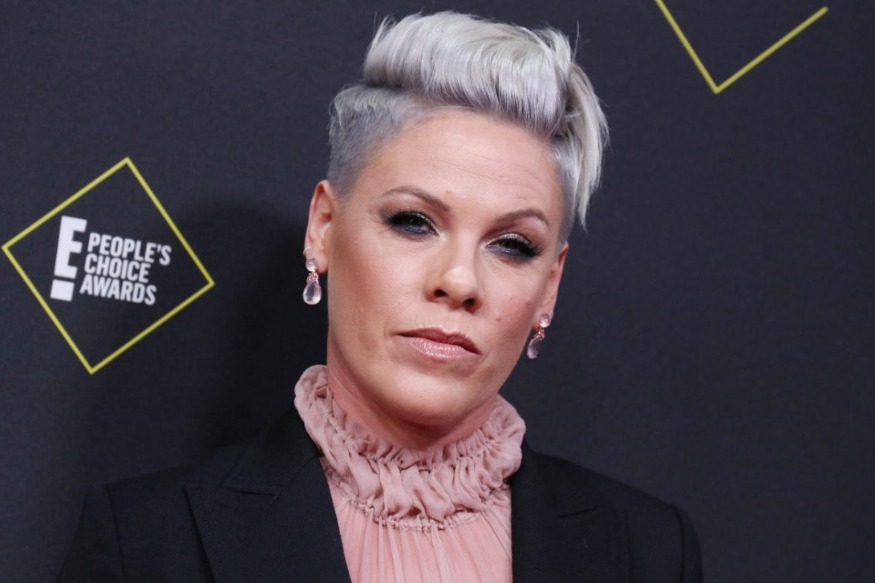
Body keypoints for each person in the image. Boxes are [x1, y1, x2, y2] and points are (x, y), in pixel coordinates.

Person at [58, 11, 702, 582]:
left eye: (512, 245)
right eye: (413, 222)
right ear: (324, 230)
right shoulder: (145, 542)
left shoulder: (648, 552)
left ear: (549, 287)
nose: (460, 281)